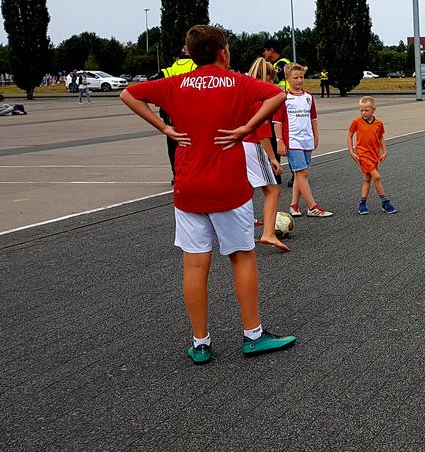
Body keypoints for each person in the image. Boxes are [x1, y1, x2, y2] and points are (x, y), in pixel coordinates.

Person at [119, 24, 296, 364]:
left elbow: (128, 94)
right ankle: (252, 335)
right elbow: (278, 95)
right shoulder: (237, 81)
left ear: (190, 54)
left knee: (194, 264)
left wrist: (165, 128)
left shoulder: (176, 83)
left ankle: (201, 342)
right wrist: (246, 127)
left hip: (189, 186)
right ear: (224, 52)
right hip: (228, 186)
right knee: (241, 256)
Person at [273, 63, 333, 218]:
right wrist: (279, 140)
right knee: (302, 173)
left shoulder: (308, 97)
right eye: (295, 78)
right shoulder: (283, 98)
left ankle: (294, 205)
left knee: (300, 174)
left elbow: (313, 118)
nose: (299, 80)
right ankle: (312, 206)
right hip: (292, 141)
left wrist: (316, 135)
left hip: (307, 140)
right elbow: (277, 122)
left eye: (301, 77)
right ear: (287, 79)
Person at [244, 58, 289, 252]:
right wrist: (272, 158)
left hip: (239, 145)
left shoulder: (243, 93)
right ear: (268, 78)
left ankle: (241, 232)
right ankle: (268, 233)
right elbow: (263, 132)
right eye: (272, 80)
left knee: (246, 190)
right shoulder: (260, 99)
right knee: (273, 190)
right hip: (253, 146)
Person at [154, 46, 198, 179]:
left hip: (170, 115)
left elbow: (156, 89)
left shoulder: (167, 71)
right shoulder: (196, 67)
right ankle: (193, 172)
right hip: (193, 113)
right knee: (194, 145)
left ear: (176, 58)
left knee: (173, 146)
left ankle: (176, 174)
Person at [348, 96, 396, 215]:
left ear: (373, 110)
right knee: (377, 177)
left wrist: (384, 151)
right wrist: (351, 151)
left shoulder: (379, 123)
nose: (363, 113)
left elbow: (380, 137)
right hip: (363, 155)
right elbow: (350, 135)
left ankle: (362, 204)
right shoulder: (356, 122)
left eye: (366, 110)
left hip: (374, 154)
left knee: (367, 179)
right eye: (361, 110)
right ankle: (385, 201)